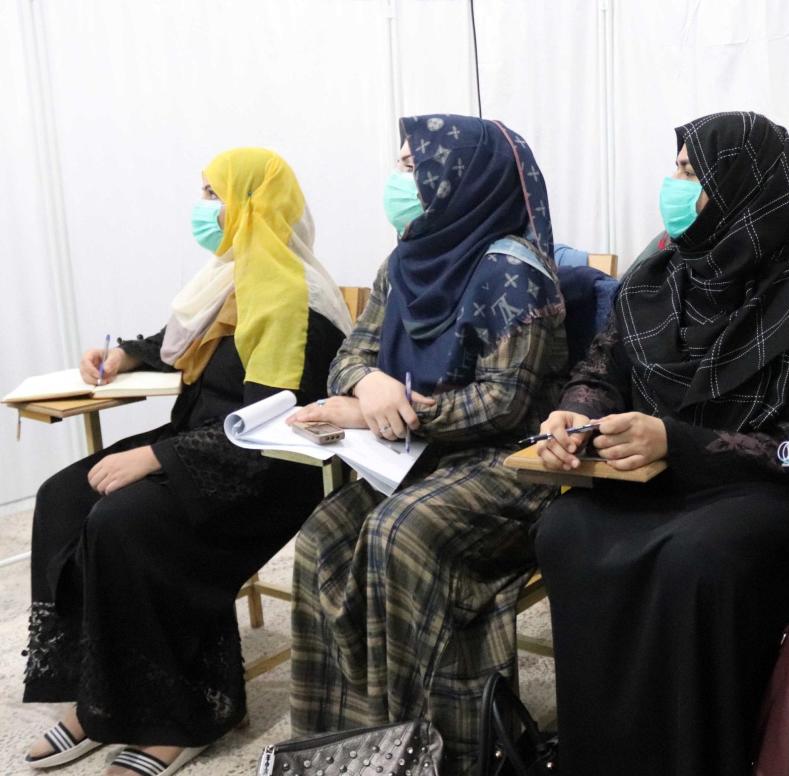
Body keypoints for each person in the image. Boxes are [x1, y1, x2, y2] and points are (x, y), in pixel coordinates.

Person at [533, 111, 789, 776]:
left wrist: (678, 440)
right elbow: (602, 372)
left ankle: (696, 753)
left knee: (698, 559)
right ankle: (601, 753)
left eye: (691, 173)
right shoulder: (658, 276)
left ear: (742, 187)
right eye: (677, 168)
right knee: (565, 528)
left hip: (759, 485)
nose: (673, 186)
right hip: (651, 470)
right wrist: (572, 414)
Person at [23, 148, 351, 775]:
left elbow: (274, 426)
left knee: (124, 521)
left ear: (254, 202)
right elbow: (182, 342)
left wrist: (157, 457)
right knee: (63, 498)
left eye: (215, 194)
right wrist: (126, 356)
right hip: (204, 445)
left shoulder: (293, 300)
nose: (205, 208)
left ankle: (182, 717)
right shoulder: (231, 278)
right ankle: (99, 700)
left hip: (267, 468)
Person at [287, 115, 566, 776]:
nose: (401, 178)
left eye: (415, 164)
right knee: (320, 539)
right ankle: (346, 746)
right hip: (416, 458)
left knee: (396, 534)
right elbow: (349, 356)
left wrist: (388, 412)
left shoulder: (512, 272)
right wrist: (371, 384)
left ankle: (431, 748)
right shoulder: (406, 257)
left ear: (460, 176)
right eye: (403, 161)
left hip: (514, 465)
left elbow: (504, 403)